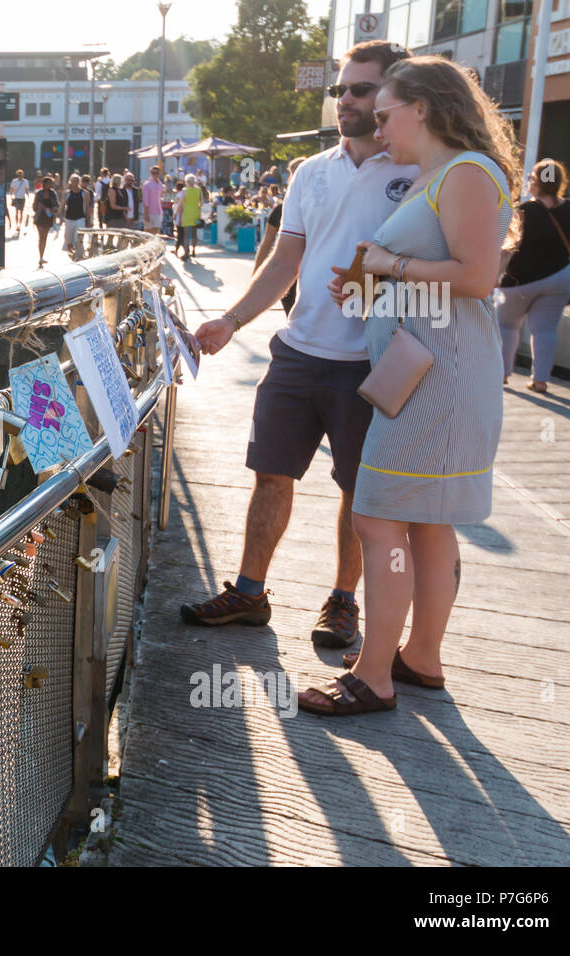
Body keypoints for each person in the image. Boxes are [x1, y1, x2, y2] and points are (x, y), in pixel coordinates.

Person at [301, 55, 521, 716]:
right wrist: (368, 282)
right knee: (426, 523)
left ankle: (373, 675)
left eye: (386, 112)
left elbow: (477, 276)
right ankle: (420, 658)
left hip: (437, 382)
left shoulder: (466, 174)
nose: (377, 123)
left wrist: (390, 263)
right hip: (427, 374)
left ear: (422, 108)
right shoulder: (438, 177)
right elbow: (429, 274)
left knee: (376, 516)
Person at [181, 40, 417, 651]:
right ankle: (249, 592)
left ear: (394, 94)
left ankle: (343, 602)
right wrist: (231, 321)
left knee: (358, 491)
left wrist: (379, 280)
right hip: (298, 351)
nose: (344, 100)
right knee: (270, 474)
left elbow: (443, 266)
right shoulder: (309, 172)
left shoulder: (419, 172)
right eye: (339, 88)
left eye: (359, 89)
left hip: (371, 361)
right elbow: (286, 258)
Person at [496, 158, 570, 393]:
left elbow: (507, 246)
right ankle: (540, 380)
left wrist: (495, 274)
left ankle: (503, 375)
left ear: (536, 182)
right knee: (545, 329)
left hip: (519, 281)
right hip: (558, 277)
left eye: (531, 178)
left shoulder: (524, 210)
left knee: (507, 326)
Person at [252, 155, 306, 316]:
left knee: (293, 320)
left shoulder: (281, 210)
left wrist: (256, 277)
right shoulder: (323, 209)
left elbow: (266, 245)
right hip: (313, 277)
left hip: (288, 276)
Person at [173, 173, 205, 260]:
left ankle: (186, 252)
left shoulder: (185, 190)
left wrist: (175, 213)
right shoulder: (199, 190)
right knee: (194, 233)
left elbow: (180, 203)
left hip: (186, 213)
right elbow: (201, 203)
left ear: (186, 181)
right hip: (196, 213)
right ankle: (194, 250)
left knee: (186, 234)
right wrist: (197, 207)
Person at [33, 175, 59, 265]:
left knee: (45, 237)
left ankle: (42, 256)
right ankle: (40, 257)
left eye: (49, 183)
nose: (48, 185)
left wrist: (52, 210)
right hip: (39, 217)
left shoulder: (53, 193)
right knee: (41, 237)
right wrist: (39, 207)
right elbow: (34, 206)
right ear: (43, 184)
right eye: (46, 183)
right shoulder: (38, 193)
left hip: (49, 217)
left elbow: (56, 206)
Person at [61, 173, 87, 254]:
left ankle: (77, 253)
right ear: (70, 182)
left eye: (76, 181)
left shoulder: (84, 193)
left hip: (80, 218)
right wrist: (60, 217)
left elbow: (88, 208)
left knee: (78, 238)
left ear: (79, 182)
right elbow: (62, 205)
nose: (75, 183)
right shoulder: (67, 193)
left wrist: (89, 220)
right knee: (68, 239)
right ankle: (71, 251)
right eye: (73, 181)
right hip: (69, 218)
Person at [141, 165, 164, 234]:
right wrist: (146, 214)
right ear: (151, 173)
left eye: (157, 172)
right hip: (149, 211)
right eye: (153, 173)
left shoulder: (160, 184)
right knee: (148, 232)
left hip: (158, 211)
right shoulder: (147, 185)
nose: (155, 174)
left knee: (156, 231)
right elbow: (145, 200)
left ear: (159, 173)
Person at [8, 169, 29, 237]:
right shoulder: (14, 181)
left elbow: (27, 190)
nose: (20, 176)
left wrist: (28, 197)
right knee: (16, 211)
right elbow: (11, 188)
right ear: (17, 175)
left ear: (23, 175)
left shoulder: (25, 181)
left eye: (21, 174)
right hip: (16, 198)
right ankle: (17, 224)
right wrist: (11, 195)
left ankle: (20, 223)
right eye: (19, 174)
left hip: (22, 198)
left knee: (21, 212)